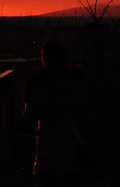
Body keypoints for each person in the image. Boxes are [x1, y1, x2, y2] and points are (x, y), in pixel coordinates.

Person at [23, 41, 87, 186]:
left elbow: (28, 118)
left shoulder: (40, 86)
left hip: (47, 152)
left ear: (46, 59)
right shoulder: (77, 84)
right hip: (72, 149)